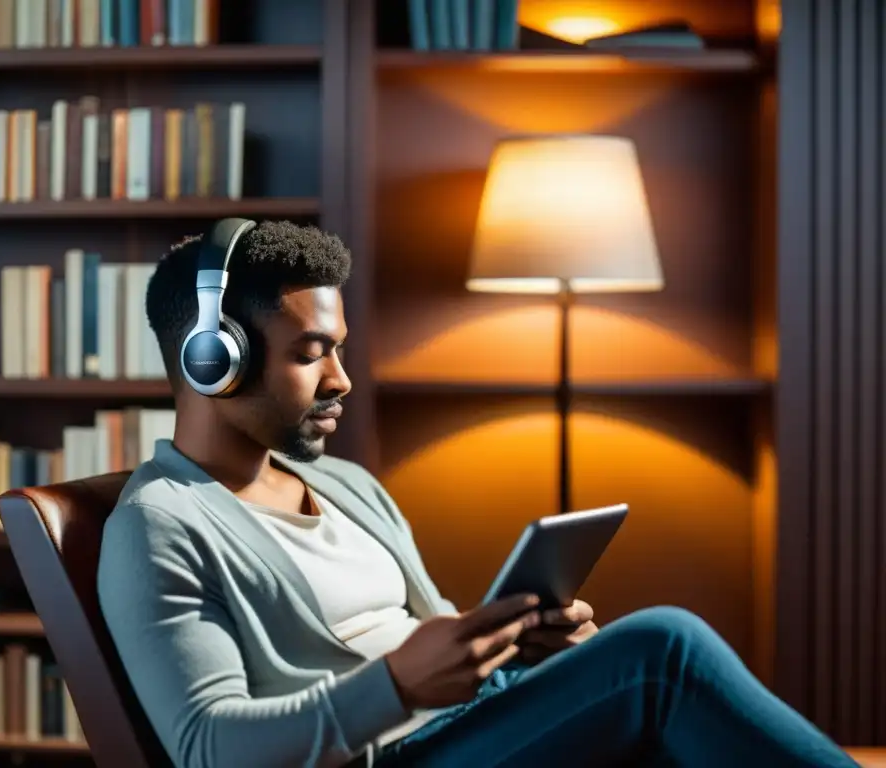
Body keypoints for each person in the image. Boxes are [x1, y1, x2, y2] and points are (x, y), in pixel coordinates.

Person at [97, 219, 859, 768]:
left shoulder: (345, 485)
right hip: (395, 754)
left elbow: (433, 632)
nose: (341, 381)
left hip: (469, 724)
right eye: (311, 353)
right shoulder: (161, 524)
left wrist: (521, 655)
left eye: (340, 351)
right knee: (663, 649)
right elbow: (206, 748)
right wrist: (395, 687)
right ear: (212, 359)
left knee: (666, 723)